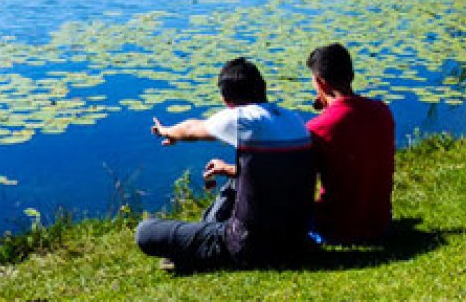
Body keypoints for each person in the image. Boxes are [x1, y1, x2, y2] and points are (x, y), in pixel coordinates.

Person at [136, 57, 315, 271]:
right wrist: (230, 170)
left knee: (145, 231)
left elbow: (192, 128)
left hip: (249, 245)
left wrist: (166, 131)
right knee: (233, 182)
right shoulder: (293, 119)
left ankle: (200, 253)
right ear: (263, 88)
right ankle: (203, 240)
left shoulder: (241, 118)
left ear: (226, 100)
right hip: (297, 240)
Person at [306, 42, 395, 245]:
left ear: (320, 83)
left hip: (336, 229)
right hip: (380, 224)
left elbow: (299, 180)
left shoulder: (317, 127)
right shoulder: (382, 111)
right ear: (351, 76)